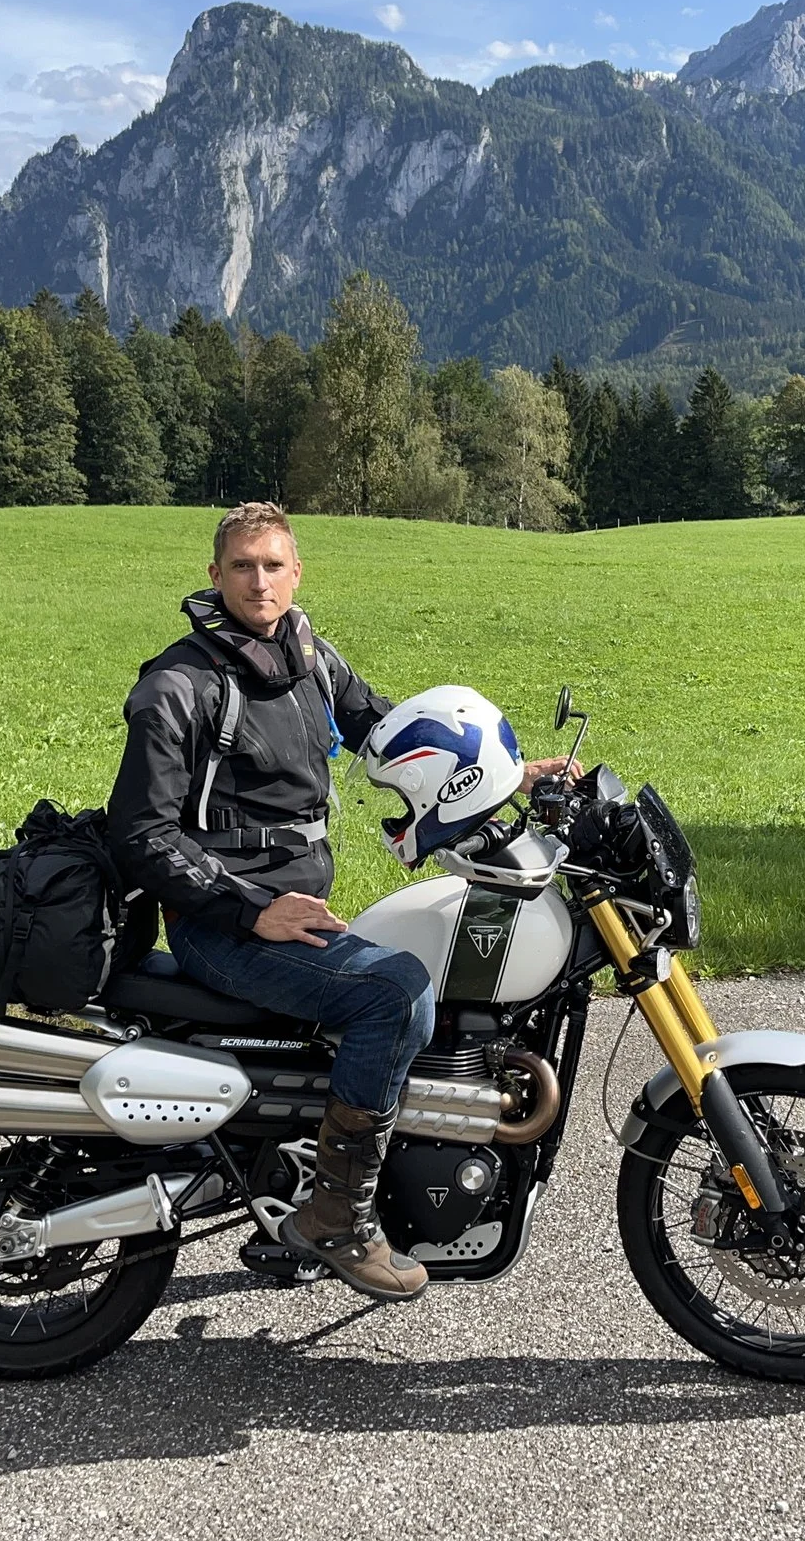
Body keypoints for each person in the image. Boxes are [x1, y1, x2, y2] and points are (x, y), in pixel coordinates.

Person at [107, 501, 569, 1302]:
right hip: (224, 927)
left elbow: (392, 733)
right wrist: (253, 909)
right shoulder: (180, 686)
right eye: (243, 565)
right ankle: (338, 1216)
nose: (260, 579)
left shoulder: (309, 660)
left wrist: (510, 774)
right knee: (396, 996)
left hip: (292, 914)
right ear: (214, 575)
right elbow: (141, 835)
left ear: (297, 572)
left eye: (274, 564)